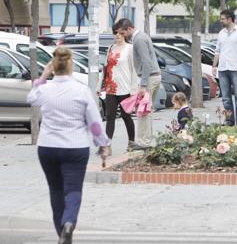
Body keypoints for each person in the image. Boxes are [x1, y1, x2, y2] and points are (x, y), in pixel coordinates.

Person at [27, 47, 111, 244]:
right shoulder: (81, 90)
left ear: (54, 67)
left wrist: (44, 75)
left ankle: (62, 235)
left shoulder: (45, 89)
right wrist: (103, 144)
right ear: (71, 64)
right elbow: (95, 123)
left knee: (55, 190)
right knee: (73, 190)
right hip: (75, 147)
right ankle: (69, 223)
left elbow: (31, 98)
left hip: (47, 146)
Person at [115, 18, 161, 148]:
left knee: (143, 112)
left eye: (123, 33)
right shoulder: (142, 36)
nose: (122, 36)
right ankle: (147, 141)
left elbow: (146, 62)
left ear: (129, 29)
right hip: (153, 76)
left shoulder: (139, 39)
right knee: (146, 111)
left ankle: (143, 143)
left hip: (149, 78)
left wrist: (143, 85)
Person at [97, 25, 138, 152]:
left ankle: (131, 143)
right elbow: (105, 69)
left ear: (124, 34)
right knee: (110, 117)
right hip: (111, 88)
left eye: (120, 33)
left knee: (126, 116)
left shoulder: (130, 48)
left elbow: (134, 70)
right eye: (115, 33)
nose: (117, 35)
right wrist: (99, 85)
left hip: (125, 88)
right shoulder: (111, 48)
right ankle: (107, 146)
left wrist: (133, 90)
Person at [212, 9, 237, 126]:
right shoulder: (221, 33)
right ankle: (229, 120)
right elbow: (217, 51)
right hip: (223, 69)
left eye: (222, 19)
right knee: (226, 98)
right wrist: (214, 66)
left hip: (236, 69)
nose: (220, 21)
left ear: (229, 19)